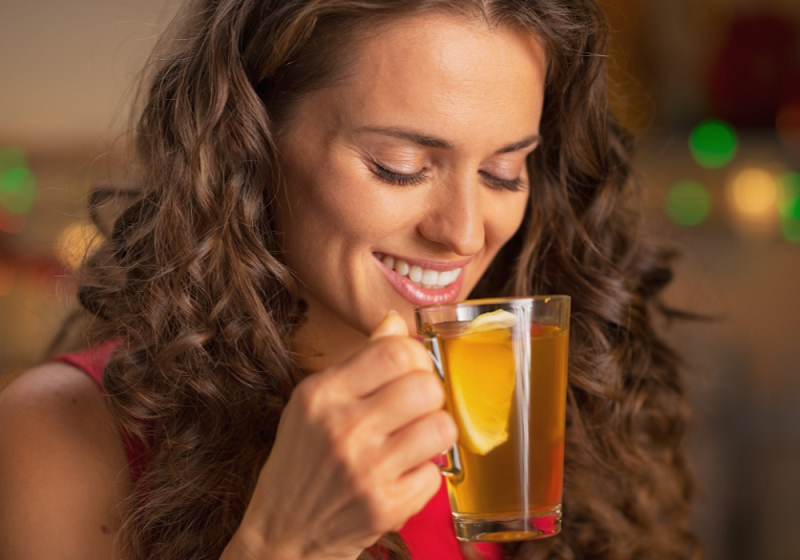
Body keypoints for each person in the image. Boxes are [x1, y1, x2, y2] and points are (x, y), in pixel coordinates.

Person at [0, 1, 702, 559]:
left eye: (503, 172)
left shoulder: (533, 412)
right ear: (250, 141)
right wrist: (285, 547)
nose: (463, 232)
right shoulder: (58, 439)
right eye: (400, 165)